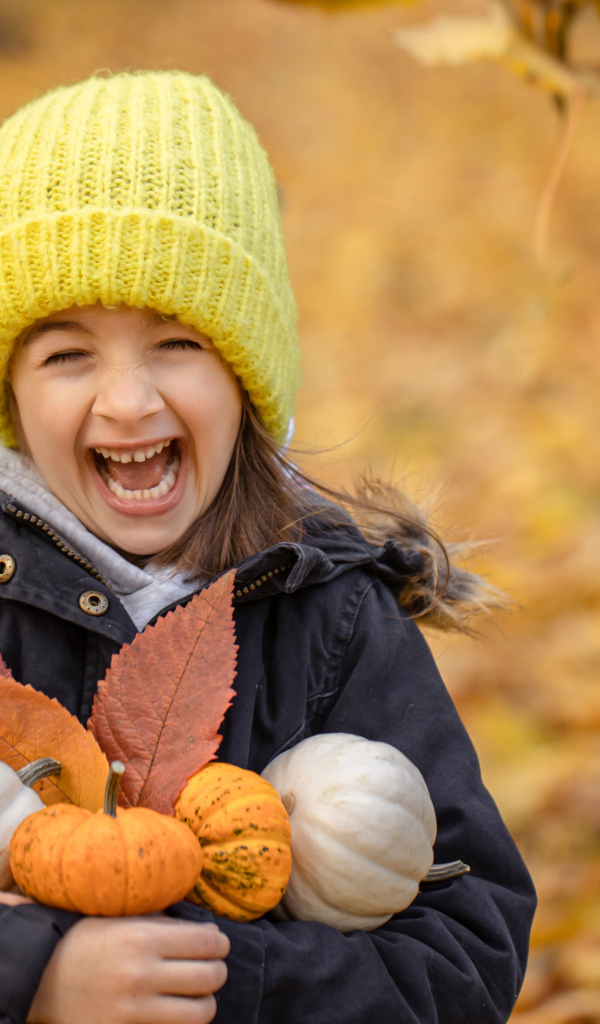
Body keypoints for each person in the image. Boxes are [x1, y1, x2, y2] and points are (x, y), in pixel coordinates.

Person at [0, 71, 535, 1024]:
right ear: (11, 397)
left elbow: (466, 949)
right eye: (66, 353)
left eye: (177, 343)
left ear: (246, 371)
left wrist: (219, 979)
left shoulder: (330, 613)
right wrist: (33, 975)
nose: (127, 402)